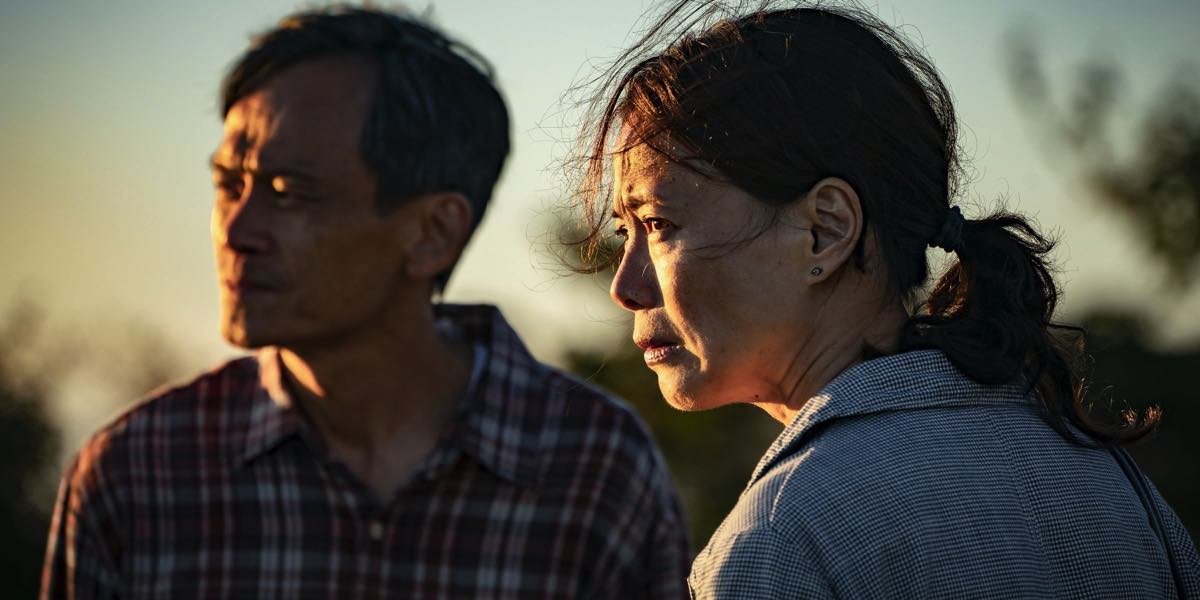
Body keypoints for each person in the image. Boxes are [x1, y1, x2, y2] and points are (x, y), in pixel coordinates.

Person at [41, 6, 689, 599]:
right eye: (229, 184)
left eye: (287, 192)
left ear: (431, 232)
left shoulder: (594, 470)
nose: (236, 231)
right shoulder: (139, 473)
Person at [572, 2, 1200, 598]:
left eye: (658, 225)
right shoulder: (1111, 484)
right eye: (626, 232)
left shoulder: (779, 541)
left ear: (825, 230)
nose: (625, 288)